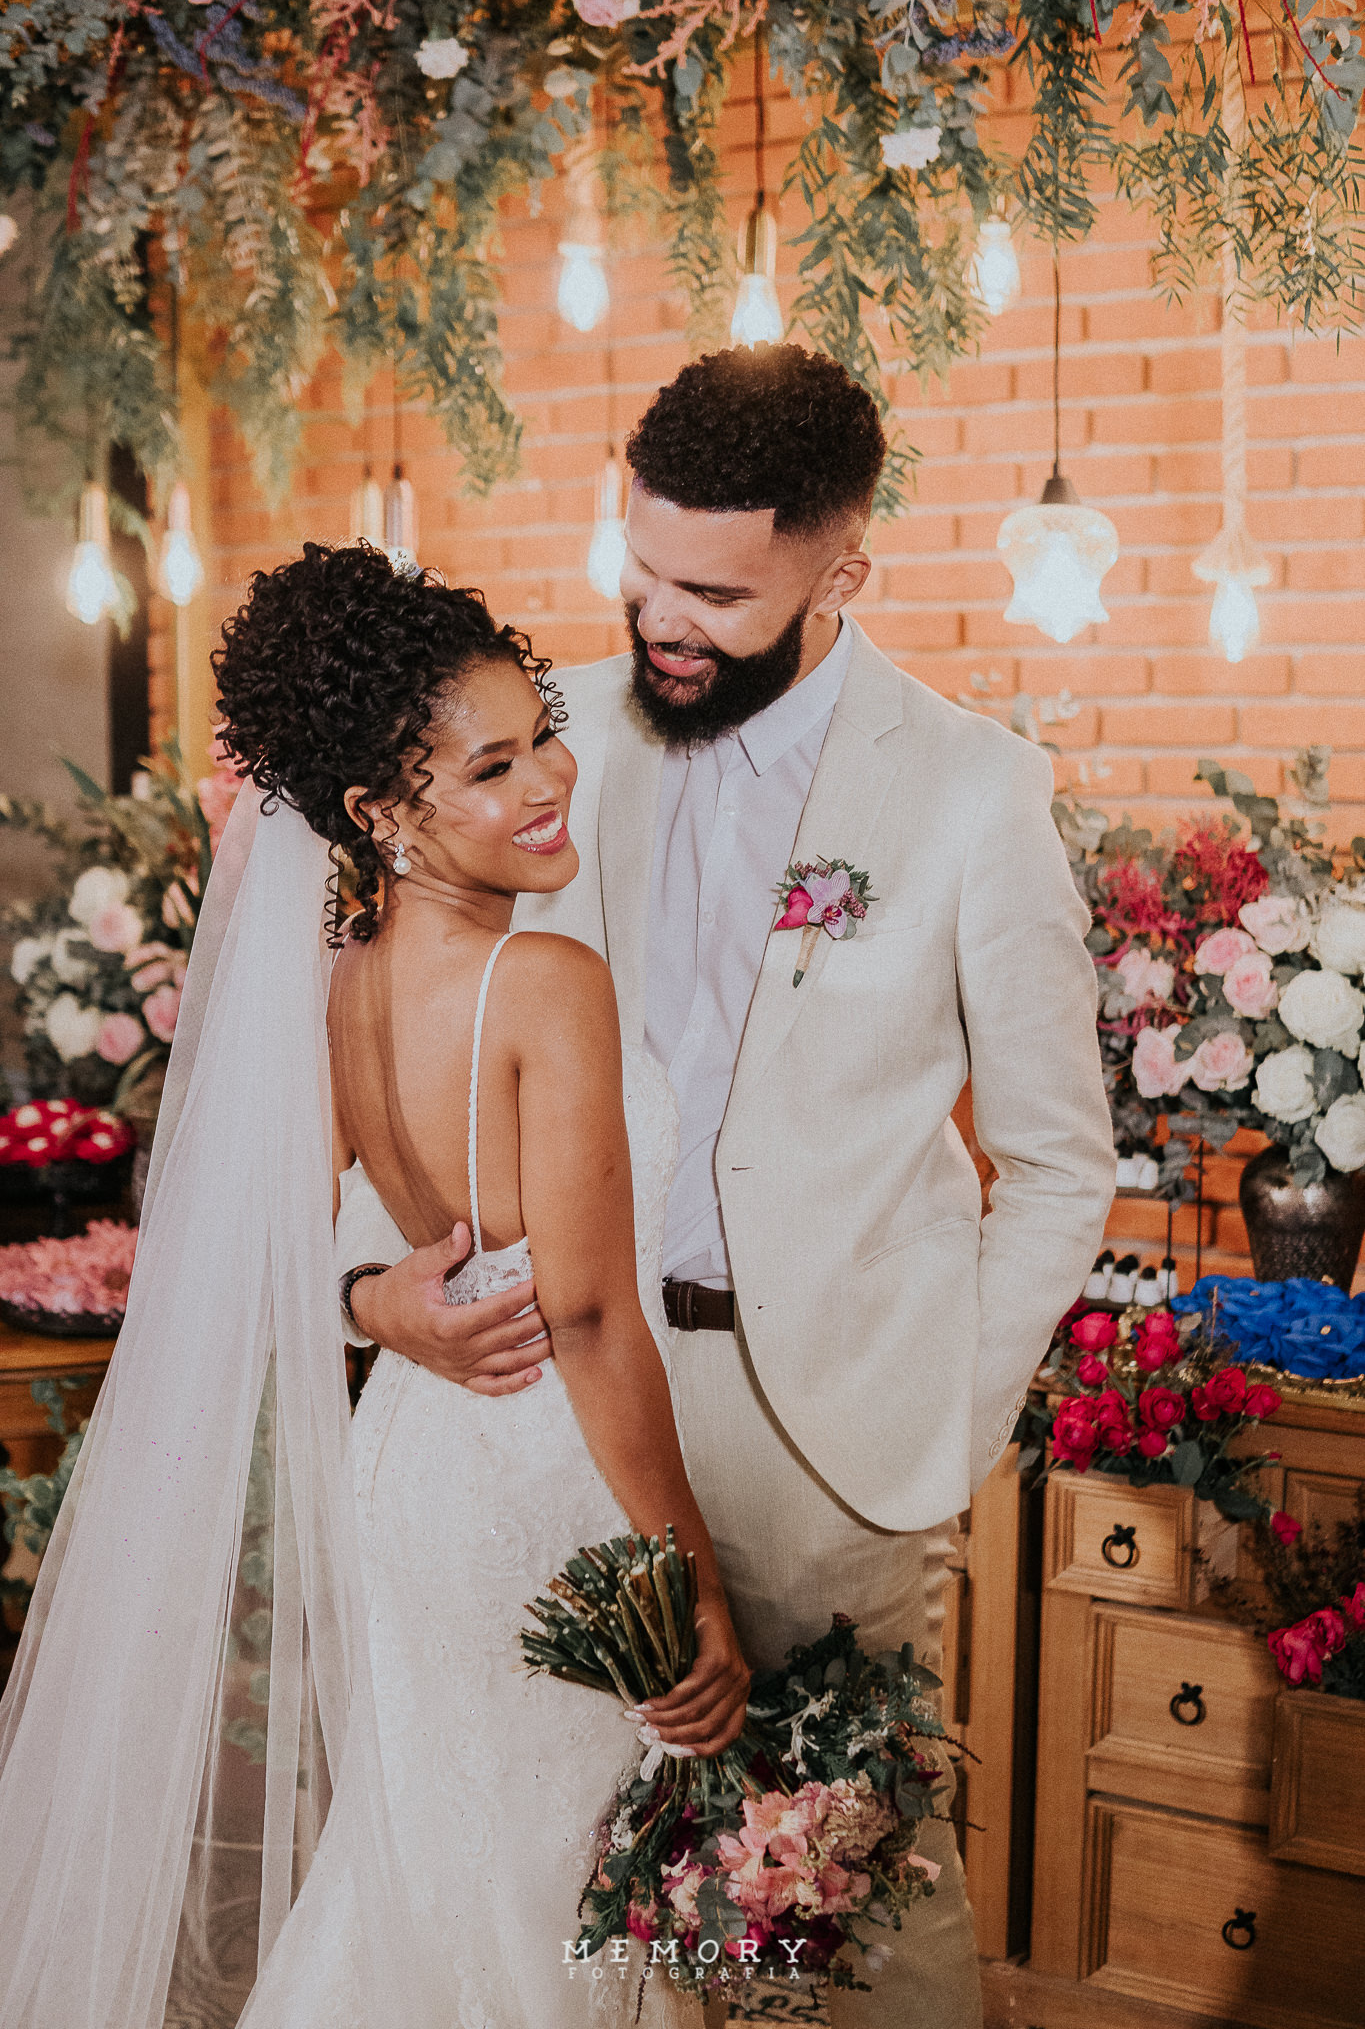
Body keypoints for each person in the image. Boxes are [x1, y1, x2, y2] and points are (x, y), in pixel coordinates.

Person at [338, 345, 1118, 2028]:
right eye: (641, 571)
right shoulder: (535, 753)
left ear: (841, 575)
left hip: (831, 1431)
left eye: (713, 593)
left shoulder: (969, 789)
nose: (660, 620)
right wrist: (368, 1291)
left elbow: (1062, 1161)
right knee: (593, 1891)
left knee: (852, 1891)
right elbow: (412, 1021)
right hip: (557, 1414)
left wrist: (942, 1406)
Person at [0, 547, 745, 2029]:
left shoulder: (338, 981)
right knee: (552, 1893)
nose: (550, 780)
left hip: (410, 1477)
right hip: (547, 1474)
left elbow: (268, 1244)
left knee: (435, 1862)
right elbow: (591, 1319)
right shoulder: (545, 983)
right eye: (491, 767)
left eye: (542, 735)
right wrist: (695, 1583)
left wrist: (368, 1305)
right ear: (378, 813)